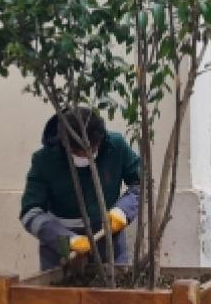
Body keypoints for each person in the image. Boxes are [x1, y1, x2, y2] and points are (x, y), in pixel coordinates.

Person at [19, 109, 141, 270]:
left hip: (109, 243)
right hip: (60, 249)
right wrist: (66, 240)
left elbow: (141, 183)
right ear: (64, 143)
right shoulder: (44, 160)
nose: (87, 156)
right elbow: (30, 213)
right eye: (79, 152)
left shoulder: (115, 147)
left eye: (92, 149)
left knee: (113, 291)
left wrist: (124, 210)